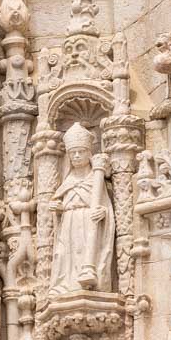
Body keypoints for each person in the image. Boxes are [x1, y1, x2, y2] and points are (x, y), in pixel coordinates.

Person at [50, 123, 114, 296]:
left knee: (85, 250)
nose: (77, 156)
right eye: (73, 153)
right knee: (65, 254)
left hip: (88, 221)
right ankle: (65, 284)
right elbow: (63, 203)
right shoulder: (67, 180)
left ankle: (89, 281)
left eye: (81, 151)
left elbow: (106, 205)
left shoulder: (96, 177)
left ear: (89, 152)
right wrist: (58, 209)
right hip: (69, 223)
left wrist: (104, 213)